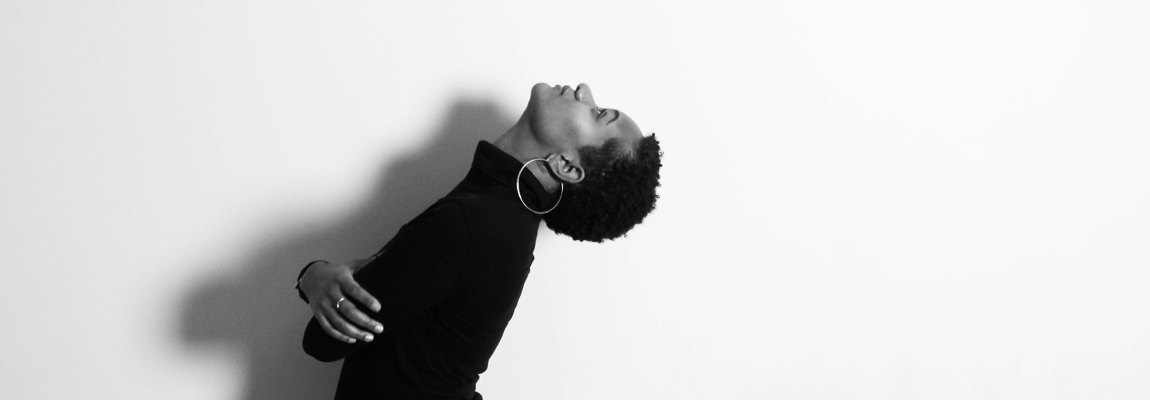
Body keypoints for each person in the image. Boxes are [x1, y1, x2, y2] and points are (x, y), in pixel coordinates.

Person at [295, 83, 662, 399]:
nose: (584, 90)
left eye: (598, 113)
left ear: (566, 166)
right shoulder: (497, 215)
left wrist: (313, 275)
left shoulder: (476, 221)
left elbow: (323, 341)